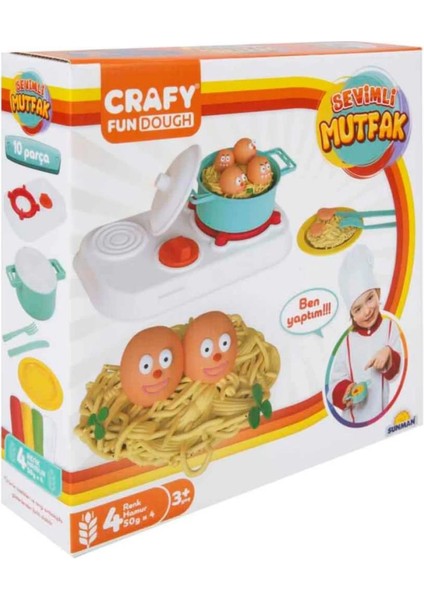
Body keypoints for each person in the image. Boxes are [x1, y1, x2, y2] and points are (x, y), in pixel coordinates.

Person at [330, 245, 402, 423]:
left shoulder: (390, 327)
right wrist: (346, 391)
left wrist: (388, 353)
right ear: (351, 315)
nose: (367, 311)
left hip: (383, 416)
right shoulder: (347, 342)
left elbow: (396, 374)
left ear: (378, 293)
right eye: (357, 309)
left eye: (370, 298)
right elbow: (335, 381)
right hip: (354, 422)